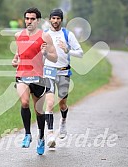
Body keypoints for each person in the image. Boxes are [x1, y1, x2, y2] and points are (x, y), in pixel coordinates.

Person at [12, 7, 57, 155]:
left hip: (38, 77)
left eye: (32, 19)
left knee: (39, 111)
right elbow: (18, 54)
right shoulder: (18, 35)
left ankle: (41, 138)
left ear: (38, 21)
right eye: (27, 18)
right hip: (22, 75)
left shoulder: (45, 37)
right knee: (24, 102)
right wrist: (15, 60)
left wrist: (45, 53)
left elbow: (54, 57)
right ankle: (27, 134)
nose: (29, 21)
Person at [44, 9, 83, 148]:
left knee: (62, 104)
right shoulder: (45, 34)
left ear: (61, 20)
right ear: (50, 19)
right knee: (49, 103)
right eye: (53, 18)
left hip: (64, 72)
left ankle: (63, 122)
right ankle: (49, 134)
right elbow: (38, 54)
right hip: (48, 71)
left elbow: (80, 53)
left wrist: (67, 50)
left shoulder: (68, 34)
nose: (55, 21)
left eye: (58, 19)